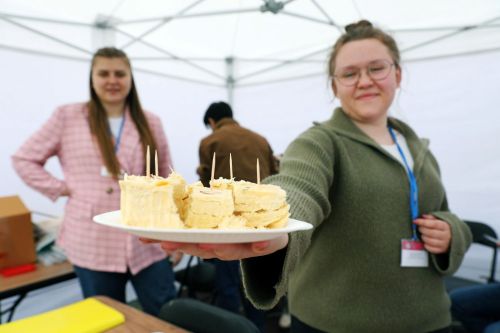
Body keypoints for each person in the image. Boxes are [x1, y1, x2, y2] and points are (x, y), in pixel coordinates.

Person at [152, 20, 474, 332]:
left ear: (397, 73)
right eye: (349, 73)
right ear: (334, 85)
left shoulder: (418, 147)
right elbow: (297, 187)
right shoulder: (320, 142)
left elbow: (444, 211)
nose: (364, 81)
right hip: (333, 324)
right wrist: (274, 227)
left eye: (376, 68)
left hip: (429, 320)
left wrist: (451, 233)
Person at [12, 47, 177, 316]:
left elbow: (165, 177)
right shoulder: (67, 116)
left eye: (120, 73)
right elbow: (24, 159)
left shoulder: (150, 121)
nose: (112, 80)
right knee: (107, 317)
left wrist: (174, 235)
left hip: (146, 238)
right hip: (91, 239)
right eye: (104, 73)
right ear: (92, 77)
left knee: (166, 310)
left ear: (130, 78)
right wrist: (63, 188)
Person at [196, 101, 278, 332]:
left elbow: (205, 186)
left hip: (228, 224)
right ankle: (257, 328)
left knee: (228, 285)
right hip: (261, 222)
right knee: (255, 284)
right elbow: (274, 176)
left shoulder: (210, 141)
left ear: (212, 122)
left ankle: (231, 328)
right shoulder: (260, 139)